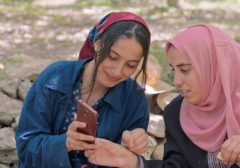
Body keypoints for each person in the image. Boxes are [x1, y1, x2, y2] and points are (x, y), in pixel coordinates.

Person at [83, 24, 240, 168]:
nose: (177, 81)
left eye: (185, 69)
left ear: (213, 65)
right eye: (173, 70)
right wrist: (133, 162)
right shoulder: (177, 112)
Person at [16, 12, 151, 168]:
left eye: (131, 65)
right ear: (97, 43)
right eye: (113, 57)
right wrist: (65, 143)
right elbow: (25, 147)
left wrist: (132, 148)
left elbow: (132, 160)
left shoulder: (134, 99)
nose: (117, 71)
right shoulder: (54, 78)